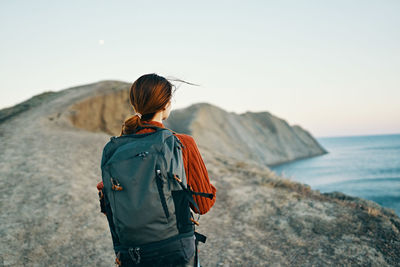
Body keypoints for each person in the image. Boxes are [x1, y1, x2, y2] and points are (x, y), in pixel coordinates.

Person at [97, 73, 217, 266]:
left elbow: (110, 206)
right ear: (166, 104)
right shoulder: (181, 143)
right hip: (175, 249)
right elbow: (202, 205)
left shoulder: (114, 149)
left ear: (135, 105)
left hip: (131, 253)